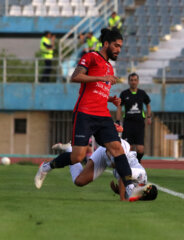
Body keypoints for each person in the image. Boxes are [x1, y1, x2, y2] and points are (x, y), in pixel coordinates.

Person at [35, 28, 136, 198]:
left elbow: (97, 91)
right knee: (77, 157)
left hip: (103, 115)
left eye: (120, 46)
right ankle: (47, 166)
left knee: (117, 149)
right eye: (116, 45)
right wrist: (101, 78)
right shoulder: (91, 57)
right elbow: (75, 77)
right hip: (85, 113)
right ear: (106, 44)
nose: (119, 49)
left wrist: (110, 99)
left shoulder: (110, 68)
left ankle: (130, 188)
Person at [52, 134, 157, 201]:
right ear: (145, 186)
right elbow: (125, 172)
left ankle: (70, 150)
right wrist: (122, 198)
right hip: (118, 151)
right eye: (143, 193)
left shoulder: (136, 195)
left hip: (110, 161)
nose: (140, 195)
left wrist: (119, 191)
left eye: (142, 196)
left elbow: (127, 186)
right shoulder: (142, 176)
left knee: (79, 181)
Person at [116, 72, 151, 162]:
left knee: (140, 150)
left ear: (138, 81)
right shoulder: (124, 94)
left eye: (135, 80)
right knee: (128, 148)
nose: (133, 82)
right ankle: (129, 165)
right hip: (128, 124)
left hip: (139, 124)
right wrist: (117, 120)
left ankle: (137, 162)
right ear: (128, 81)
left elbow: (148, 104)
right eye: (131, 80)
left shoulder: (142, 93)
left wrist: (149, 116)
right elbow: (119, 107)